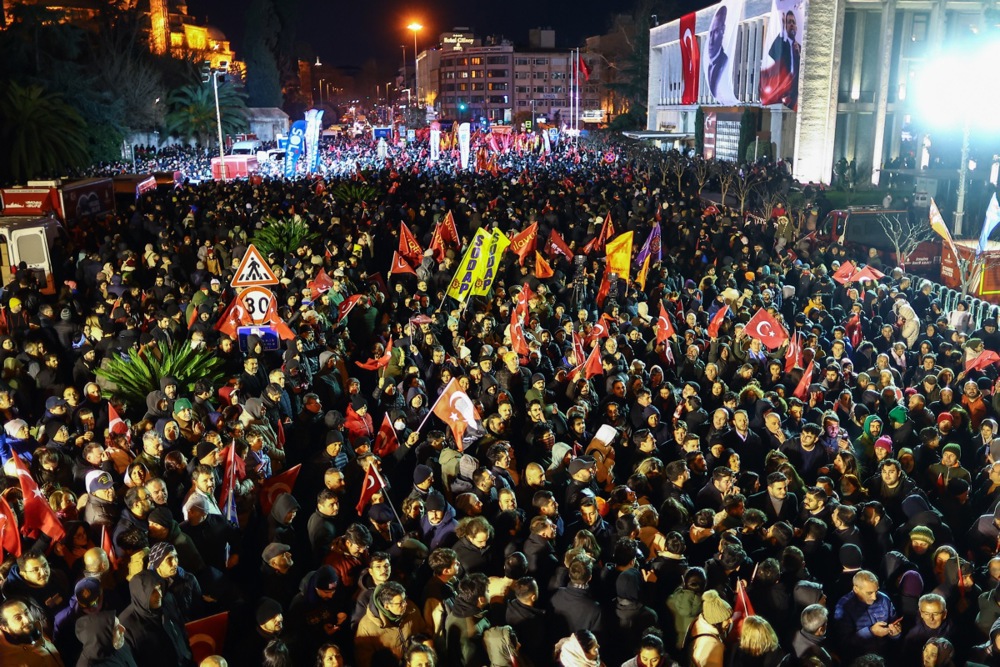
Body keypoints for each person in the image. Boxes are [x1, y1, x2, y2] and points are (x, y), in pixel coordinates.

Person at [832, 570, 901, 662]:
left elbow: (894, 624)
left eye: (876, 591)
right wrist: (870, 631)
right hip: (859, 661)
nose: (874, 597)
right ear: (856, 589)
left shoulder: (884, 599)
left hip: (884, 658)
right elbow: (844, 643)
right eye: (869, 593)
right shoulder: (843, 607)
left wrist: (895, 634)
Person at [0, 598, 63, 666]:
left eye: (26, 613)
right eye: (18, 618)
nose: (27, 620)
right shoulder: (8, 661)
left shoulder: (38, 631)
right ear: (5, 628)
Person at [706, 5, 730, 100]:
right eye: (710, 33)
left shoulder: (724, 61)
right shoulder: (709, 65)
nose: (711, 40)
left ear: (723, 30)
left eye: (715, 32)